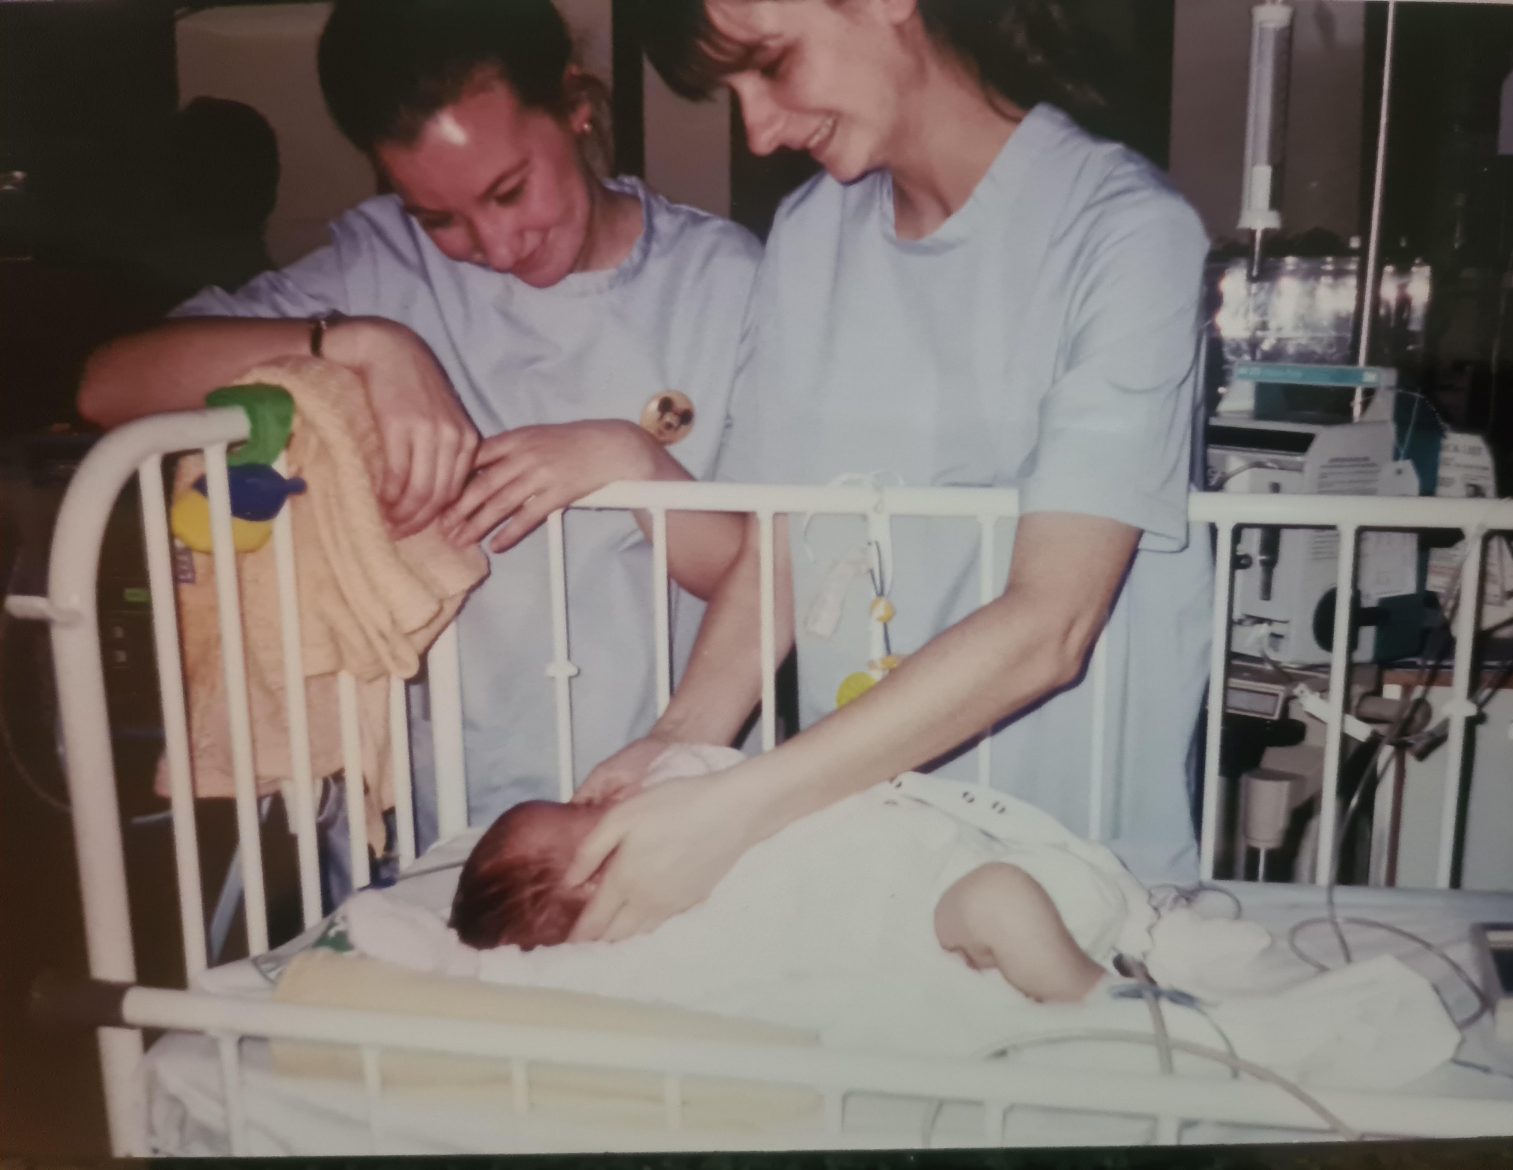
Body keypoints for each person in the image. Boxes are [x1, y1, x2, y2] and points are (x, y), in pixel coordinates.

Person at [77, 0, 760, 900]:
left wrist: (635, 465)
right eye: (439, 217)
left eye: (510, 190)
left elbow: (761, 575)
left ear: (575, 105)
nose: (495, 246)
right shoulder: (379, 271)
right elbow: (108, 385)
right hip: (424, 832)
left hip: (648, 811)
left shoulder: (720, 283)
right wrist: (360, 344)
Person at [564, 0, 1213, 942]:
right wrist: (675, 748)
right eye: (731, 93)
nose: (759, 131)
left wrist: (736, 807)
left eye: (772, 65)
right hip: (869, 856)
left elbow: (1052, 623)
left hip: (1072, 871)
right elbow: (782, 547)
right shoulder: (809, 238)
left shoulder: (1122, 233)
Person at [446, 745, 1141, 1005]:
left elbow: (703, 765)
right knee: (998, 901)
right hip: (939, 932)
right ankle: (1111, 1011)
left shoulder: (681, 802)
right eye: (582, 815)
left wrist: (654, 760)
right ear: (594, 882)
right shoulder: (666, 943)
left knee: (1005, 894)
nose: (595, 800)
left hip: (964, 875)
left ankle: (1112, 981)